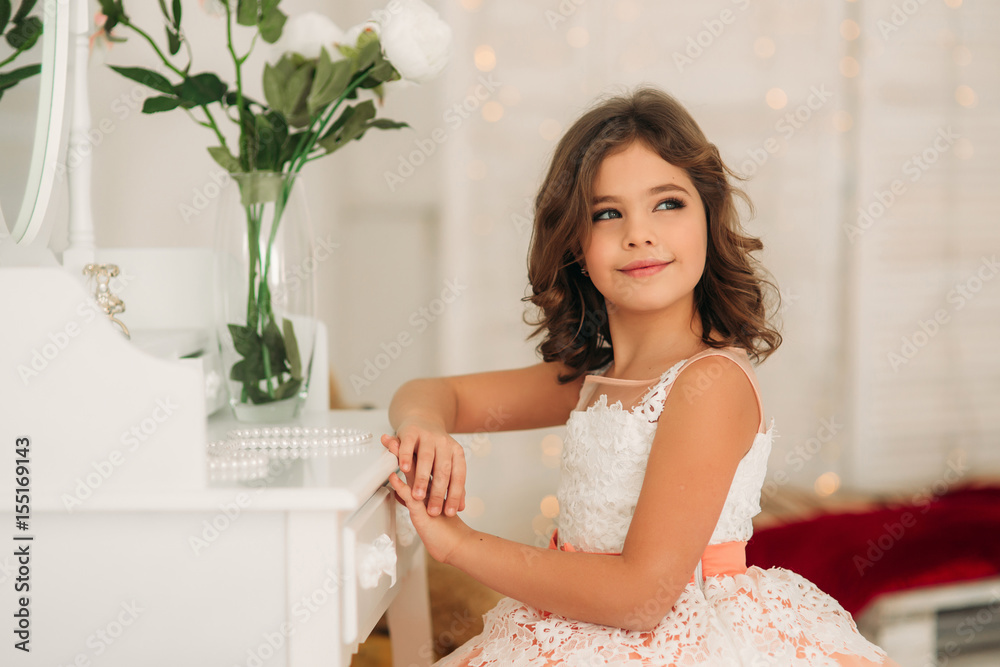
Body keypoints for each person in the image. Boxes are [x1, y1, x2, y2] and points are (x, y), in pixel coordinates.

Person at [381, 87, 896, 666]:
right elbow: (432, 392)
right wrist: (426, 424)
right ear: (576, 244)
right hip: (577, 627)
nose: (638, 233)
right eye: (607, 213)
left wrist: (460, 544)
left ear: (709, 214)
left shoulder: (709, 384)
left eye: (668, 204)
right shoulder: (595, 377)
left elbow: (640, 598)